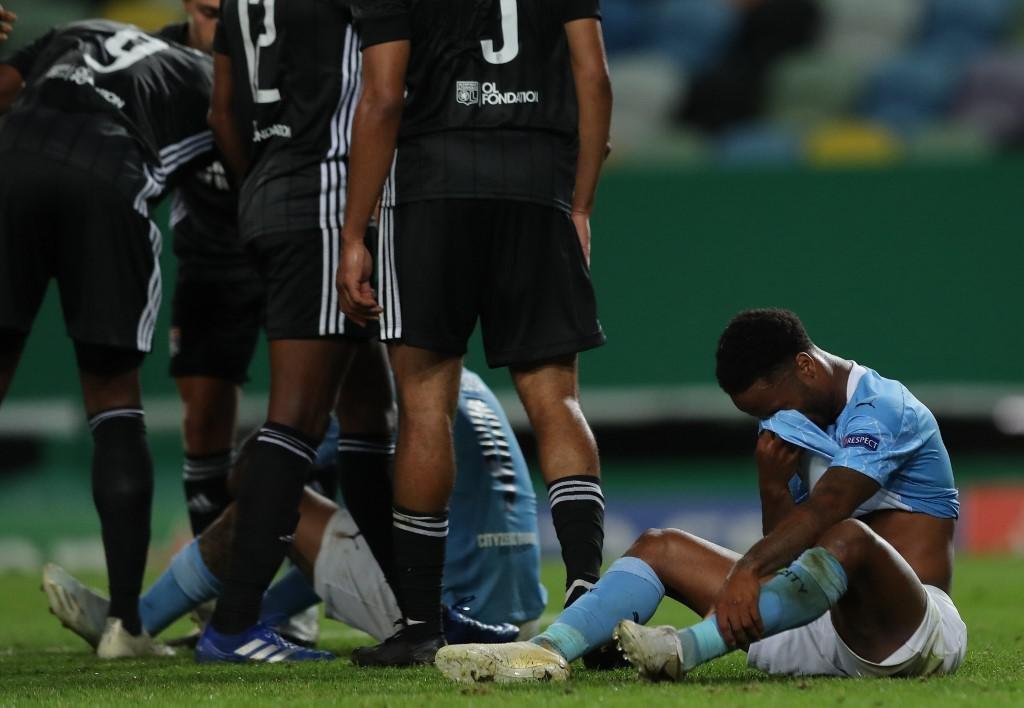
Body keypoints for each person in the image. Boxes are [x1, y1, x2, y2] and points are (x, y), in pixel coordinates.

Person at [435, 308, 967, 682]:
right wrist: (771, 485)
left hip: (908, 634)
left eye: (774, 406)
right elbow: (795, 551)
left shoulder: (885, 410)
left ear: (805, 366)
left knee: (851, 534)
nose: (773, 422)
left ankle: (684, 649)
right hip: (814, 623)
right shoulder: (792, 425)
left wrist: (744, 574)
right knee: (658, 545)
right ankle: (543, 653)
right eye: (759, 416)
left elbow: (830, 511)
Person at [337, 0, 613, 666]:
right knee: (557, 398)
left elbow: (381, 97)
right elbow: (595, 77)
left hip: (433, 184)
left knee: (426, 401)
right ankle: (587, 601)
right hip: (535, 181)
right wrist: (579, 201)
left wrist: (353, 231)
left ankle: (421, 623)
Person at [43, 370, 546, 657]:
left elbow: (260, 473)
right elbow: (362, 547)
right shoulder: (455, 376)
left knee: (271, 496)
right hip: (516, 612)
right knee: (362, 517)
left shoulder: (378, 381)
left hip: (452, 616)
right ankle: (220, 619)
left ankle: (138, 621)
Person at [0, 20, 214, 657]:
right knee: (114, 402)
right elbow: (238, 147)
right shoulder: (209, 75)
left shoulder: (74, 30)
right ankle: (127, 625)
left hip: (11, 161)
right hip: (110, 171)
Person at [201, 0, 396, 662]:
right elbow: (385, 85)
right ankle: (232, 626)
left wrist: (260, 181)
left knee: (371, 407)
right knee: (297, 419)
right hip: (325, 197)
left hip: (268, 192)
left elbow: (221, 112)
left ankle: (406, 610)